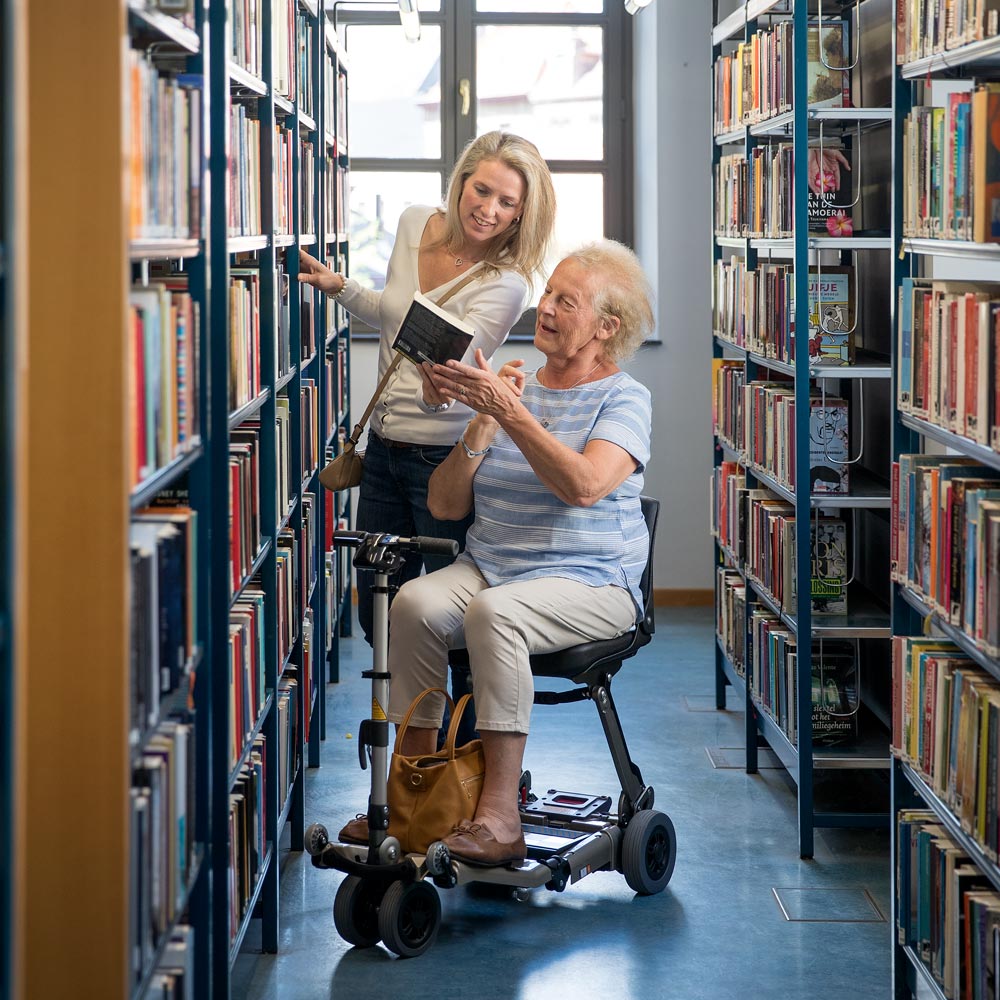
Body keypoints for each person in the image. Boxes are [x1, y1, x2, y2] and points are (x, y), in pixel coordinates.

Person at [341, 240, 654, 864]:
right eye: (548, 294)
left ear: (605, 327)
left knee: (494, 614)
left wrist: (509, 414)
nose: (547, 308)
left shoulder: (624, 398)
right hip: (492, 568)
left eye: (568, 301)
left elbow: (584, 486)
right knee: (413, 603)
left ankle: (499, 814)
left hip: (592, 583)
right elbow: (446, 505)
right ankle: (415, 799)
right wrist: (478, 431)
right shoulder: (509, 386)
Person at [297, 132, 556, 658]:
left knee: (446, 621)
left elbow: (454, 375)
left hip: (440, 460)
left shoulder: (506, 283)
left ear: (521, 215)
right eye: (481, 190)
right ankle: (409, 736)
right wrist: (341, 287)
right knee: (378, 611)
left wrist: (441, 397)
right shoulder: (415, 222)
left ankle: (453, 738)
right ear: (461, 182)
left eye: (507, 203)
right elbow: (399, 319)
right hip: (381, 448)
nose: (488, 210)